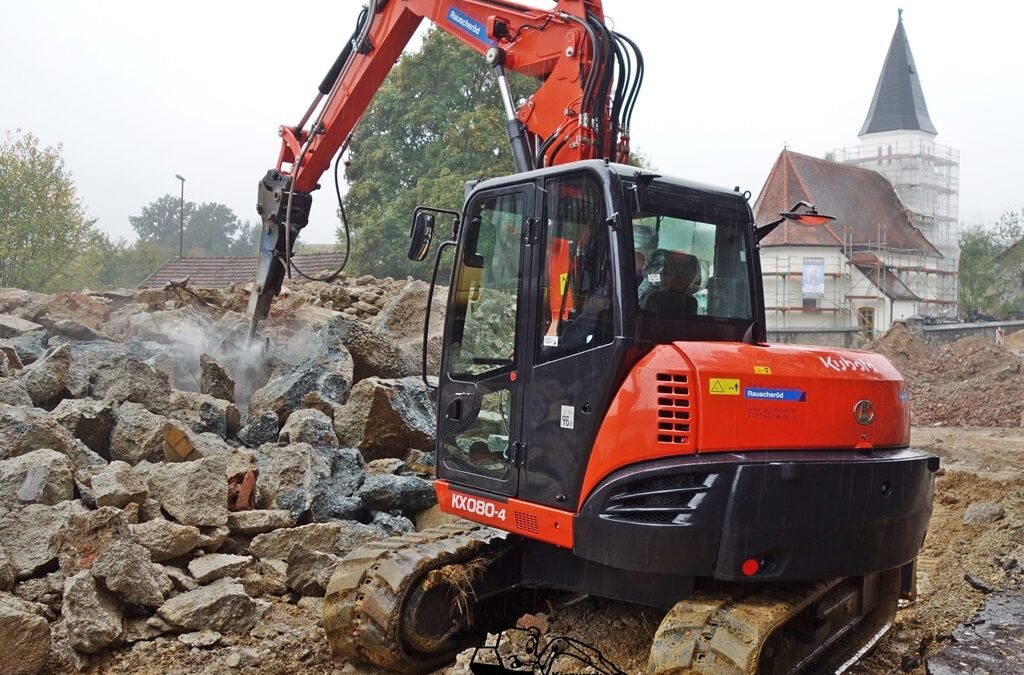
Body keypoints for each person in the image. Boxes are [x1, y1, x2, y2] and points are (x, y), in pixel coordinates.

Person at [640, 250, 699, 319]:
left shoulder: (654, 298)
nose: (664, 278)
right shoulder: (691, 303)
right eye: (664, 272)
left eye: (675, 274)